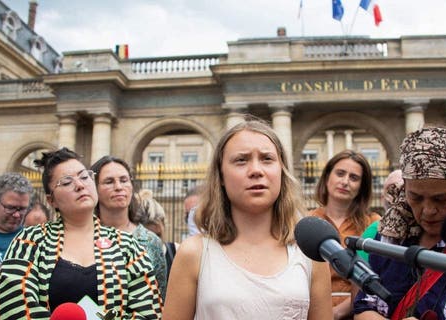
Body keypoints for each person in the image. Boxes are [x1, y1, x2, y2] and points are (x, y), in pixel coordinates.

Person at [163, 118, 332, 319]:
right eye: (241, 160)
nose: (256, 171)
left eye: (267, 159)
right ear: (221, 176)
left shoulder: (310, 254)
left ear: (281, 171)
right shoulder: (194, 253)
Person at [0, 147, 162, 319]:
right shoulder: (30, 242)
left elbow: (148, 312)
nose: (80, 185)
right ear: (51, 200)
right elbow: (12, 309)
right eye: (66, 182)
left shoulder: (127, 246)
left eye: (84, 177)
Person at [353, 127, 446, 320]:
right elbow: (365, 307)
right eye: (416, 197)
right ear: (405, 185)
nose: (428, 210)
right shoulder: (390, 235)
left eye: (441, 199)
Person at [309, 149, 381, 319]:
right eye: (340, 173)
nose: (345, 181)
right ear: (327, 177)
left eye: (354, 178)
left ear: (362, 187)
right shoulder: (307, 222)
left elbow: (380, 280)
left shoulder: (374, 224)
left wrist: (338, 312)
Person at [90, 156, 168, 301]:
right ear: (94, 189)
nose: (118, 187)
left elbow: (160, 298)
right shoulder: (84, 237)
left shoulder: (150, 241)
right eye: (109, 181)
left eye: (124, 180)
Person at [357, 169, 402, 261]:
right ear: (382, 198)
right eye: (391, 188)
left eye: (403, 188)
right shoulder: (374, 230)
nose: (397, 193)